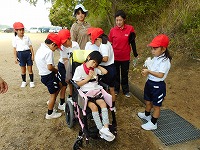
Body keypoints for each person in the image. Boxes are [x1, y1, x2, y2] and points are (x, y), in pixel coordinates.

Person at [72, 51, 115, 142]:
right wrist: (88, 78)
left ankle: (106, 128)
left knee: (103, 104)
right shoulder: (79, 69)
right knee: (94, 107)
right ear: (88, 57)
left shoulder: (95, 69)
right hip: (85, 92)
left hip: (96, 91)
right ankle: (100, 128)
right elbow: (78, 83)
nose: (94, 64)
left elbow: (105, 72)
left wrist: (97, 66)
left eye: (96, 63)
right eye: (93, 62)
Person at [138, 34, 172, 130]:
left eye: (155, 49)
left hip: (158, 85)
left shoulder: (165, 61)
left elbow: (160, 75)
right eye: (152, 48)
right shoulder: (156, 57)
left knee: (156, 106)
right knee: (147, 100)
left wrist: (149, 71)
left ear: (163, 49)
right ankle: (147, 114)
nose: (152, 51)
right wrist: (147, 70)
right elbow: (153, 69)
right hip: (150, 83)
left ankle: (153, 123)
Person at [108, 10, 138, 98]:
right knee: (116, 75)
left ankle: (126, 90)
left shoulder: (130, 29)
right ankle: (117, 89)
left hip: (125, 57)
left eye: (120, 20)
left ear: (124, 20)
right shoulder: (112, 31)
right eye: (117, 20)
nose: (118, 22)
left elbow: (132, 42)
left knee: (124, 75)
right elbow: (110, 44)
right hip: (115, 57)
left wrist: (135, 53)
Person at [35, 33, 62, 119]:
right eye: (56, 47)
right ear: (53, 44)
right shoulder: (49, 51)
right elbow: (50, 67)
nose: (55, 49)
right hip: (48, 76)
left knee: (59, 85)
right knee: (53, 95)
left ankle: (50, 102)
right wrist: (56, 70)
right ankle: (50, 113)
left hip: (43, 75)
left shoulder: (41, 48)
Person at [90, 28, 116, 112]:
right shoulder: (108, 43)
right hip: (112, 67)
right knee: (112, 88)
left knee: (104, 89)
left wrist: (96, 59)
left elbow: (105, 58)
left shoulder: (103, 45)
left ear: (98, 39)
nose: (95, 44)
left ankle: (106, 105)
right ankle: (113, 106)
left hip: (107, 68)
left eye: (95, 42)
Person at [57, 29, 80, 111]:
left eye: (65, 41)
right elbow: (65, 60)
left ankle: (71, 96)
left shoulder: (76, 45)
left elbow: (78, 56)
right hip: (63, 66)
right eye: (62, 42)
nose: (63, 43)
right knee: (64, 83)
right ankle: (61, 103)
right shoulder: (62, 47)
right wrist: (68, 73)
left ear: (69, 38)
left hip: (72, 65)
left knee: (71, 81)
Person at [12, 22, 35, 88]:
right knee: (23, 69)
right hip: (20, 54)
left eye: (22, 30)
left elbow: (31, 47)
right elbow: (14, 49)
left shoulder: (27, 38)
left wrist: (32, 55)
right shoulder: (15, 39)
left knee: (30, 69)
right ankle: (24, 81)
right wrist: (15, 57)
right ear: (16, 31)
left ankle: (31, 81)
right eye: (20, 30)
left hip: (28, 53)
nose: (22, 31)